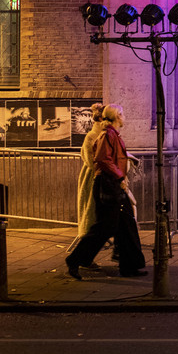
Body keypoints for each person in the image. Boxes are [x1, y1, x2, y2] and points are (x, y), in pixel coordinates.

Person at [65, 104, 146, 279]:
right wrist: (119, 177)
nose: (124, 117)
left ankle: (129, 266)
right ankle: (75, 259)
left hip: (113, 183)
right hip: (108, 184)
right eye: (122, 114)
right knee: (105, 226)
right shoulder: (107, 135)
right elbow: (102, 159)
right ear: (117, 116)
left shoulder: (113, 135)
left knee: (126, 224)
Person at [72, 104, 108, 266]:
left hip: (103, 178)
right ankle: (81, 258)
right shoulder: (93, 136)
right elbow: (92, 161)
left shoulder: (104, 135)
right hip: (94, 179)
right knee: (92, 217)